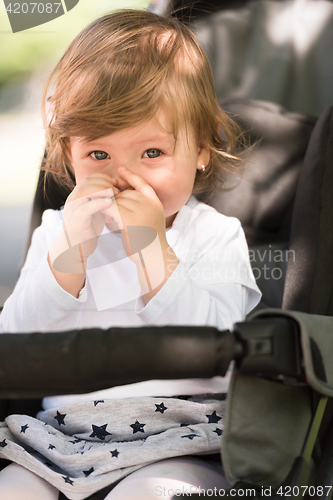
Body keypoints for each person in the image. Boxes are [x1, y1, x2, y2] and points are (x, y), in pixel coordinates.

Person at [0, 9, 261, 500]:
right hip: (59, 442)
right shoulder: (57, 230)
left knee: (146, 493)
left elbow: (222, 354)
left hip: (183, 443)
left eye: (152, 154)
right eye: (99, 156)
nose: (126, 178)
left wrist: (152, 248)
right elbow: (14, 347)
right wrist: (69, 255)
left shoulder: (215, 235)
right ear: (67, 154)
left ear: (201, 149)